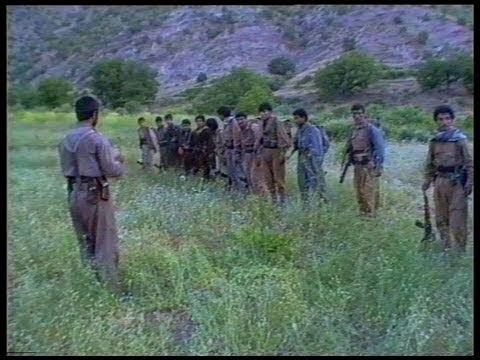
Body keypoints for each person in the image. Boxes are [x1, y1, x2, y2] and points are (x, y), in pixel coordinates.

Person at [58, 96, 125, 289]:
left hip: (73, 193)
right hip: (94, 194)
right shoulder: (96, 139)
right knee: (105, 241)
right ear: (95, 115)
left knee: (85, 241)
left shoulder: (65, 139)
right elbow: (111, 170)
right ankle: (111, 289)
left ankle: (91, 284)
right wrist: (119, 162)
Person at [422, 105, 473, 253]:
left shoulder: (460, 140)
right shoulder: (434, 140)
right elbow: (430, 163)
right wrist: (427, 180)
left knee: (457, 219)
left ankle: (459, 251)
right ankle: (446, 248)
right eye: (440, 119)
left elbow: (470, 163)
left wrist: (469, 184)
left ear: (453, 120)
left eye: (447, 119)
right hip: (440, 182)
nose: (444, 122)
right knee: (441, 218)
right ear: (436, 121)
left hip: (456, 183)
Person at [343, 103, 385, 217]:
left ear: (364, 114)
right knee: (359, 192)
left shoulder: (371, 130)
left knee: (369, 192)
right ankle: (363, 214)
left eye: (359, 114)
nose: (356, 116)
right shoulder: (354, 130)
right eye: (354, 114)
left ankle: (371, 216)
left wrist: (378, 165)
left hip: (369, 165)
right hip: (358, 165)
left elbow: (380, 149)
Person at [256, 102, 292, 204]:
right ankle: (274, 200)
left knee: (278, 177)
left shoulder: (276, 122)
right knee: (268, 177)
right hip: (265, 151)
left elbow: (284, 138)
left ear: (270, 112)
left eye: (265, 111)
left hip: (276, 151)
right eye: (261, 112)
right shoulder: (261, 123)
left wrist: (282, 153)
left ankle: (282, 200)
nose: (263, 114)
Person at [291, 108, 328, 205]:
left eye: (297, 118)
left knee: (317, 182)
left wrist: (312, 161)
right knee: (302, 183)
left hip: (311, 158)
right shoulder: (300, 130)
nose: (295, 121)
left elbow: (317, 148)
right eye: (294, 118)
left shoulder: (313, 130)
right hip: (302, 157)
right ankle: (306, 205)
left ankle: (322, 204)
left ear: (304, 118)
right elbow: (296, 145)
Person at [217, 106, 247, 192]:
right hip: (229, 149)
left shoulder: (233, 122)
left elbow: (236, 136)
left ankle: (242, 191)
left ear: (222, 115)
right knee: (231, 172)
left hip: (233, 150)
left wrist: (237, 151)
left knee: (237, 172)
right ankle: (235, 190)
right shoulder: (227, 123)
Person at [193, 115, 215, 180]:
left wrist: (210, 151)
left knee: (206, 166)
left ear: (204, 122)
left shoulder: (207, 130)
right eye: (197, 121)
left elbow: (210, 142)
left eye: (200, 121)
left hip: (205, 151)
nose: (199, 123)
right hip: (197, 151)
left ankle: (206, 178)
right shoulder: (195, 131)